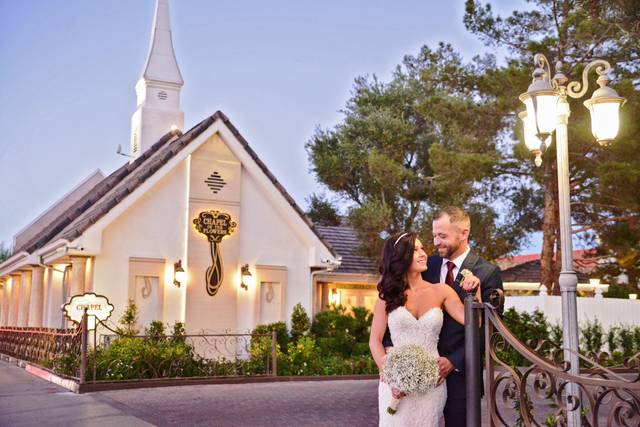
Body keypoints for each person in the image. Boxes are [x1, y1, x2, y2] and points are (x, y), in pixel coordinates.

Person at [382, 207, 504, 426]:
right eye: (434, 235)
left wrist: (453, 361)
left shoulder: (487, 273)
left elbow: (488, 329)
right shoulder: (424, 265)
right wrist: (395, 364)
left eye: (443, 236)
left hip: (461, 378)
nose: (436, 242)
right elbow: (393, 316)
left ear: (464, 233)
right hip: (412, 377)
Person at [369, 231, 480, 427]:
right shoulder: (386, 295)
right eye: (415, 250)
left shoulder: (441, 291)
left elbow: (473, 322)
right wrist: (390, 376)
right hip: (395, 384)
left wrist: (475, 290)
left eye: (422, 249)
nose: (423, 254)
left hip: (432, 384)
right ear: (400, 258)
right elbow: (375, 340)